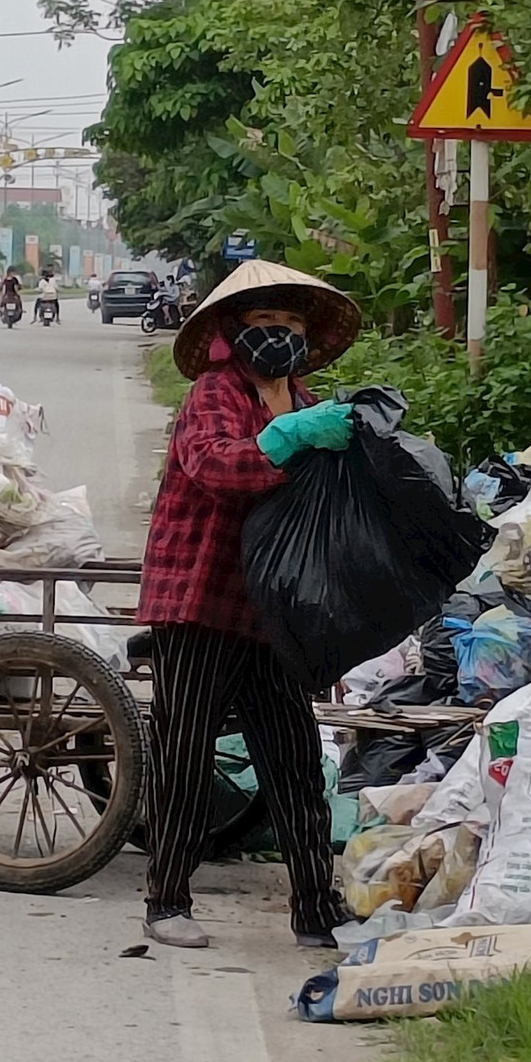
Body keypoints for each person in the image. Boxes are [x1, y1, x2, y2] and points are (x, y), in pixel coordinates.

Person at [136, 259, 363, 950]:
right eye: (266, 321)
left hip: (274, 611)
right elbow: (214, 464)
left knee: (294, 759)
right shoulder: (216, 393)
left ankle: (315, 907)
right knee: (184, 751)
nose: (280, 334)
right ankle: (167, 901)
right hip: (201, 598)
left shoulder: (306, 400)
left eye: (291, 323)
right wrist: (285, 440)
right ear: (235, 331)